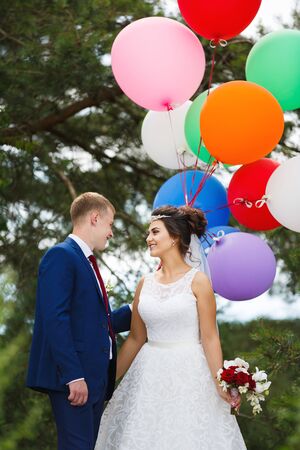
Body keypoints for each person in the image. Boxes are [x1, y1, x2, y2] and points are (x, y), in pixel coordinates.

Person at [96, 205, 246, 450]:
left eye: (155, 232)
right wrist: (107, 381)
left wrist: (221, 385)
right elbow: (135, 339)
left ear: (175, 237)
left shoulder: (199, 281)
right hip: (148, 376)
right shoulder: (144, 283)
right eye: (148, 233)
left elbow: (209, 338)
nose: (148, 238)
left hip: (189, 375)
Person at [26, 192, 132, 450]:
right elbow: (55, 318)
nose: (111, 233)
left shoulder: (86, 261)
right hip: (75, 378)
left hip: (95, 378)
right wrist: (73, 376)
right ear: (95, 218)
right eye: (110, 224)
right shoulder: (62, 256)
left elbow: (96, 322)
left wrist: (140, 306)